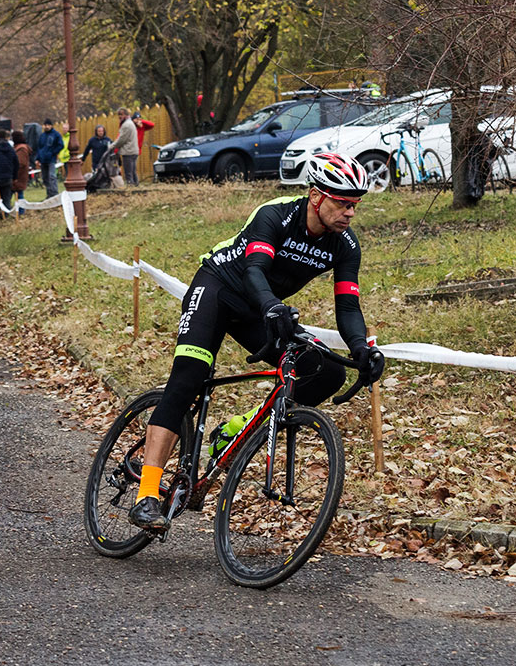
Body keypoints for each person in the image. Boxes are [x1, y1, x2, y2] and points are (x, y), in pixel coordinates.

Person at [126, 152, 387, 533]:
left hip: (263, 308)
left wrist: (362, 349)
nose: (350, 213)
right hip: (219, 290)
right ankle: (146, 495)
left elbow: (348, 306)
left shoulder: (345, 244)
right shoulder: (276, 214)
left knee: (325, 372)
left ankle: (235, 431)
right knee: (189, 376)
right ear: (316, 197)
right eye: (343, 203)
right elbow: (254, 270)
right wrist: (272, 307)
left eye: (355, 205)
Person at [35, 119, 64, 199]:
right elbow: (39, 147)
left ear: (51, 125)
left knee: (52, 176)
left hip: (51, 159)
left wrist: (53, 152)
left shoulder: (56, 135)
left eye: (48, 125)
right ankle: (49, 194)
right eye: (45, 125)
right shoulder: (42, 136)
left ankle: (54, 194)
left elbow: (60, 145)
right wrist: (37, 158)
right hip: (43, 159)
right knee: (45, 177)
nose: (47, 126)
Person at [111, 108, 139, 187]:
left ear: (126, 115)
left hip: (128, 151)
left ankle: (130, 186)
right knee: (133, 171)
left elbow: (121, 139)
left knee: (128, 172)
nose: (120, 116)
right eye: (119, 115)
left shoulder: (126, 125)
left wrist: (112, 146)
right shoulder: (130, 123)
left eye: (121, 114)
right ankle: (136, 186)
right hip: (133, 150)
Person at [131, 110, 155, 184]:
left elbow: (152, 125)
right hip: (130, 149)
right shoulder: (131, 126)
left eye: (139, 119)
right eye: (136, 119)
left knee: (133, 167)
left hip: (137, 149)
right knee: (131, 167)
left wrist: (142, 121)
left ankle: (135, 182)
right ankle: (134, 182)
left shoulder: (142, 126)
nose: (138, 121)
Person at [12, 130, 30, 205]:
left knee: (19, 194)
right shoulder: (20, 148)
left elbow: (21, 163)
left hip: (19, 175)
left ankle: (21, 210)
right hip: (19, 174)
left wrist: (15, 174)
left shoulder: (21, 149)